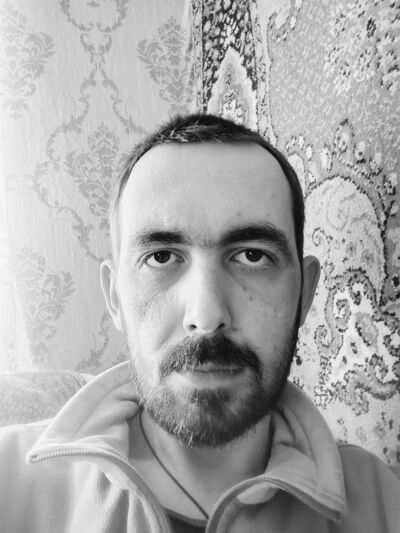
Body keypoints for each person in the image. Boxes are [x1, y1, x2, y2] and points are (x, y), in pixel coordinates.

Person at [0, 114, 399, 533]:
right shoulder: (9, 484)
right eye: (161, 257)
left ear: (304, 292)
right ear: (115, 297)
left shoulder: (386, 505)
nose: (206, 317)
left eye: (252, 256)